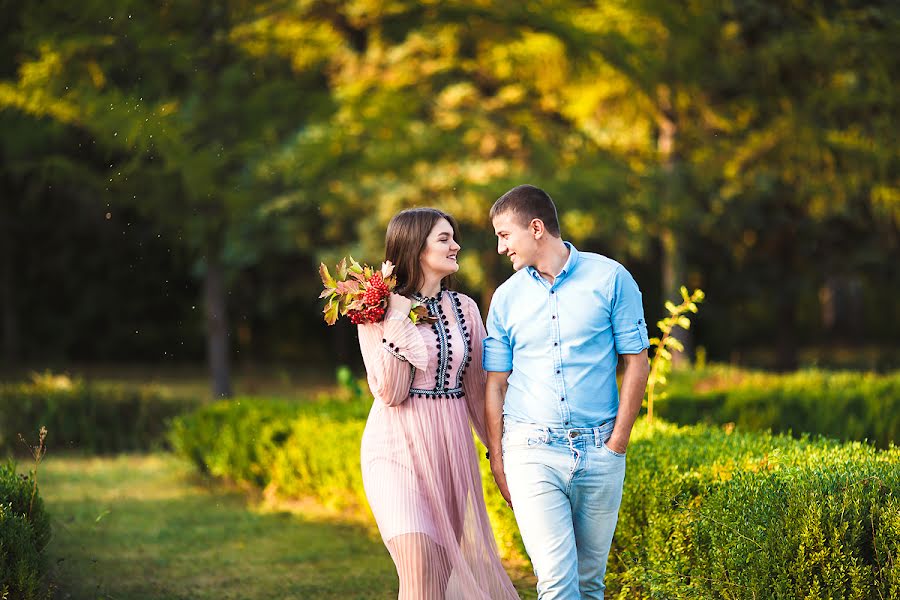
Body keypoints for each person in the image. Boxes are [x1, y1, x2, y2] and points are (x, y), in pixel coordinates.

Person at [483, 185, 651, 599]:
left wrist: (618, 443)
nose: (501, 248)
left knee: (589, 584)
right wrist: (499, 459)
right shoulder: (505, 298)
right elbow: (495, 384)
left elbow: (637, 362)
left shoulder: (612, 279)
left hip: (600, 451)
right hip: (532, 450)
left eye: (505, 235)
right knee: (557, 582)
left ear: (536, 228)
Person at [357, 207, 520, 600]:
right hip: (394, 451)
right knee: (418, 568)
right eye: (444, 238)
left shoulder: (464, 308)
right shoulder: (374, 309)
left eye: (453, 237)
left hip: (449, 453)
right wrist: (397, 318)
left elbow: (480, 391)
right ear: (415, 248)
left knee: (436, 584)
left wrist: (503, 458)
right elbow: (391, 392)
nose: (456, 246)